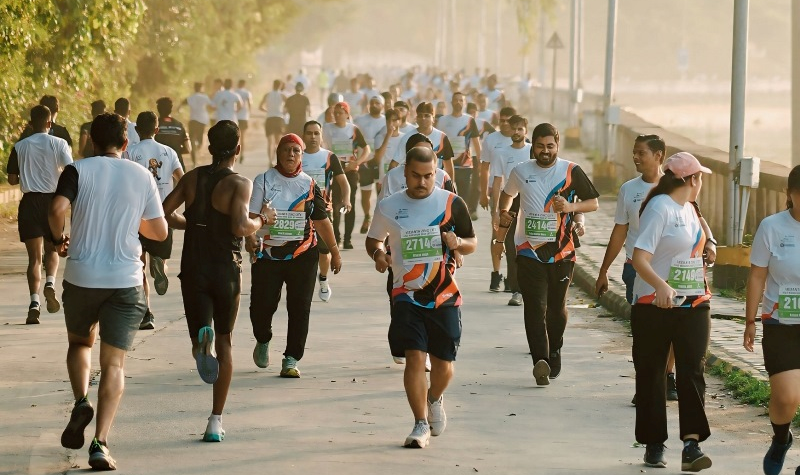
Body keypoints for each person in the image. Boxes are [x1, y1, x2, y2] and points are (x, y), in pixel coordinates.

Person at [49, 112, 168, 470]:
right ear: (126, 143)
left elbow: (57, 208)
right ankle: (100, 443)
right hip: (125, 280)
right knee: (114, 363)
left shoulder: (78, 170)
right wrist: (134, 220)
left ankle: (81, 399)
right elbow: (159, 233)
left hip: (82, 276)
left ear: (90, 140)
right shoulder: (141, 174)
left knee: (80, 344)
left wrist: (58, 240)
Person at [161, 120, 275, 442]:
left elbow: (165, 212)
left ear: (209, 147)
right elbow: (240, 226)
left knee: (203, 332)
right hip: (226, 270)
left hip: (193, 268)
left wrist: (191, 222)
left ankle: (200, 341)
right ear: (238, 149)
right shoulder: (240, 184)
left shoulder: (192, 177)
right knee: (225, 343)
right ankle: (215, 421)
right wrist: (263, 219)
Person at [366, 146, 476, 448]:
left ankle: (434, 397)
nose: (423, 182)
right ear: (405, 172)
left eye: (429, 176)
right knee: (414, 357)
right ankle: (419, 423)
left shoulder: (452, 203)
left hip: (444, 294)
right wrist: (378, 254)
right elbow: (373, 238)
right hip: (406, 293)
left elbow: (472, 242)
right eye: (416, 175)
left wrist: (458, 242)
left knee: (443, 366)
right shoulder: (389, 205)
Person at [493, 123, 599, 385]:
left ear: (557, 146)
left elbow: (593, 202)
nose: (545, 151)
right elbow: (507, 196)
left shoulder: (571, 171)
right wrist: (504, 213)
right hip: (529, 252)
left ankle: (554, 348)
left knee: (556, 308)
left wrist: (571, 207)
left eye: (550, 146)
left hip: (563, 253)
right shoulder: (521, 171)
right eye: (540, 146)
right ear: (533, 146)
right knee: (534, 305)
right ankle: (539, 359)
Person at [630, 152, 713, 471]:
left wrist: (710, 246)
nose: (701, 182)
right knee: (652, 373)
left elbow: (696, 240)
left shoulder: (689, 208)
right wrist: (661, 286)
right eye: (700, 177)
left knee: (692, 370)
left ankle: (691, 445)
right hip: (655, 305)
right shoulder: (659, 207)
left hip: (693, 303)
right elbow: (640, 258)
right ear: (692, 179)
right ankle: (653, 444)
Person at [595, 134, 684, 404]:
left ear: (659, 156)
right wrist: (602, 271)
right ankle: (645, 382)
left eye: (641, 153)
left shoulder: (676, 187)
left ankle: (667, 375)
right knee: (644, 330)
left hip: (671, 270)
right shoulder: (628, 190)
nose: (635, 157)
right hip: (637, 270)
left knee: (673, 328)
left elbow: (690, 224)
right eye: (634, 152)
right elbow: (620, 231)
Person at [247, 133, 341, 378]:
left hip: (303, 254)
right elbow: (250, 218)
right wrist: (252, 239)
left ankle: (291, 358)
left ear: (301, 156)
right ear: (278, 152)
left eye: (296, 151)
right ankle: (263, 338)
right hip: (268, 255)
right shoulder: (264, 180)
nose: (291, 154)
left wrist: (334, 250)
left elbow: (321, 220)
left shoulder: (309, 184)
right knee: (261, 306)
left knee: (300, 307)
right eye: (287, 150)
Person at [743, 165, 800, 475]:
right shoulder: (772, 227)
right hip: (780, 322)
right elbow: (757, 275)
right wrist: (750, 320)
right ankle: (781, 438)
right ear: (788, 194)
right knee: (786, 397)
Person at [6, 105, 73, 323]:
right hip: (52, 202)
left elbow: (12, 179)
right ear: (49, 123)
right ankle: (50, 283)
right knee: (52, 248)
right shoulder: (59, 143)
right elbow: (70, 170)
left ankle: (34, 303)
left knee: (34, 259)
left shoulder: (20, 146)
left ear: (31, 122)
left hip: (29, 203)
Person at [124, 111, 184, 330]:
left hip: (138, 216)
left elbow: (125, 181)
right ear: (157, 130)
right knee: (160, 257)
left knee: (138, 265)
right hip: (163, 215)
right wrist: (174, 204)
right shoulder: (169, 152)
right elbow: (181, 179)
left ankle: (146, 313)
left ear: (137, 130)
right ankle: (160, 264)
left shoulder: (130, 152)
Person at [302, 120, 351, 302]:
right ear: (304, 136)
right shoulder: (297, 156)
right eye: (309, 133)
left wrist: (346, 198)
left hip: (324, 212)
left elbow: (343, 183)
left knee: (324, 250)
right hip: (300, 213)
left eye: (316, 133)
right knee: (303, 251)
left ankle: (323, 279)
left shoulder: (329, 157)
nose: (313, 137)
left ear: (321, 135)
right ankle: (303, 285)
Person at [489, 115, 531, 307]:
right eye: (513, 128)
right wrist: (496, 211)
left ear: (526, 131)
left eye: (520, 129)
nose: (516, 132)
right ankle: (516, 290)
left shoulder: (533, 151)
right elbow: (498, 183)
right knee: (512, 246)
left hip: (531, 202)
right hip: (510, 203)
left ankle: (533, 288)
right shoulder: (502, 153)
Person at [322, 102, 369, 249]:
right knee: (335, 204)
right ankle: (337, 237)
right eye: (335, 113)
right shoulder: (327, 128)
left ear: (347, 115)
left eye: (340, 113)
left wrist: (357, 163)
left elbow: (366, 149)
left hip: (350, 170)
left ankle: (348, 239)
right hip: (334, 170)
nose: (337, 116)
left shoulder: (353, 129)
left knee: (349, 203)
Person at [436, 92, 481, 219]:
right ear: (451, 102)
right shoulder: (443, 120)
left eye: (461, 100)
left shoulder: (469, 121)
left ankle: (463, 225)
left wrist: (481, 163)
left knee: (463, 198)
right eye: (456, 100)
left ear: (464, 103)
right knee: (445, 197)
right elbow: (437, 140)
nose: (458, 103)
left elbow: (477, 144)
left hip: (464, 166)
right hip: (446, 165)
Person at [388, 102, 455, 181]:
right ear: (416, 119)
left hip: (436, 183)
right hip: (413, 184)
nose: (423, 118)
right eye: (420, 116)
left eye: (427, 115)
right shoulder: (408, 137)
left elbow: (449, 167)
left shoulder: (442, 137)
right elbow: (394, 163)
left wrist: (450, 188)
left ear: (433, 118)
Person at [354, 95, 386, 234]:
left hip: (381, 163)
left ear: (383, 106)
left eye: (377, 103)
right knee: (365, 194)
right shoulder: (360, 120)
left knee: (383, 195)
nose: (374, 105)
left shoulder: (387, 121)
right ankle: (367, 215)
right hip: (365, 162)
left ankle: (381, 221)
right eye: (372, 103)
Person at [178, 82, 213, 167]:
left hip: (193, 120)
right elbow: (212, 106)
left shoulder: (191, 97)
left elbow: (182, 103)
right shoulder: (204, 97)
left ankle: (194, 160)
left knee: (192, 139)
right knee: (200, 141)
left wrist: (179, 109)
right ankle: (196, 149)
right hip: (202, 121)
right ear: (201, 88)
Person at [154, 97, 191, 171]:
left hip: (159, 166)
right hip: (177, 165)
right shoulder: (179, 125)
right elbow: (188, 149)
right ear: (171, 109)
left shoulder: (153, 125)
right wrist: (176, 150)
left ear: (158, 109)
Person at [259, 79, 286, 165]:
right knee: (278, 142)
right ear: (280, 86)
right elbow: (287, 106)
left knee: (270, 141)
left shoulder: (267, 95)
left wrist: (268, 110)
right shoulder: (282, 95)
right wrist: (283, 111)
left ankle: (270, 160)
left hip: (270, 118)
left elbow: (260, 106)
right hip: (279, 118)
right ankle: (277, 159)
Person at [235, 79, 253, 162]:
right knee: (243, 138)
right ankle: (242, 154)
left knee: (235, 138)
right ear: (244, 84)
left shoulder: (235, 92)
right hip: (244, 116)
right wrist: (250, 113)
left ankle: (235, 154)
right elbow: (250, 104)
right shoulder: (247, 93)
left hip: (235, 116)